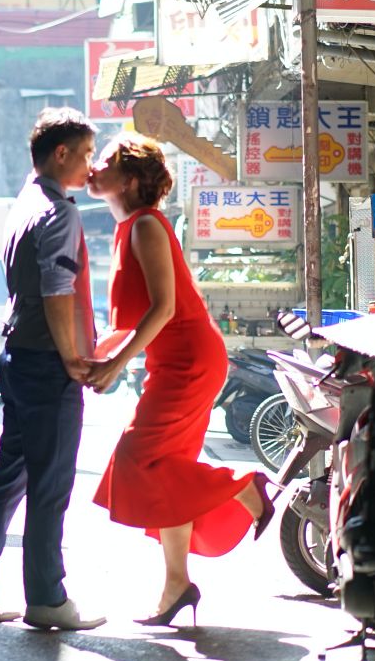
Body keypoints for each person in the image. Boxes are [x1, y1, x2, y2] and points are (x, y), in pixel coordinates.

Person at [84, 133, 274, 627]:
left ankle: (244, 488)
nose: (93, 168)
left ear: (128, 180)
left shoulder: (146, 225)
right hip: (175, 361)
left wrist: (116, 363)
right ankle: (176, 585)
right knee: (167, 469)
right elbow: (133, 319)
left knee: (137, 459)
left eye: (103, 161)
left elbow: (164, 309)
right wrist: (98, 354)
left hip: (189, 360)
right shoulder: (128, 229)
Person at [0, 108, 107, 632]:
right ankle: (47, 597)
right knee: (49, 485)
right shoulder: (58, 212)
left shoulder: (25, 202)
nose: (91, 166)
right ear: (61, 154)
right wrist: (72, 358)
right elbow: (58, 292)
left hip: (17, 356)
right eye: (85, 155)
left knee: (11, 470)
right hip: (45, 363)